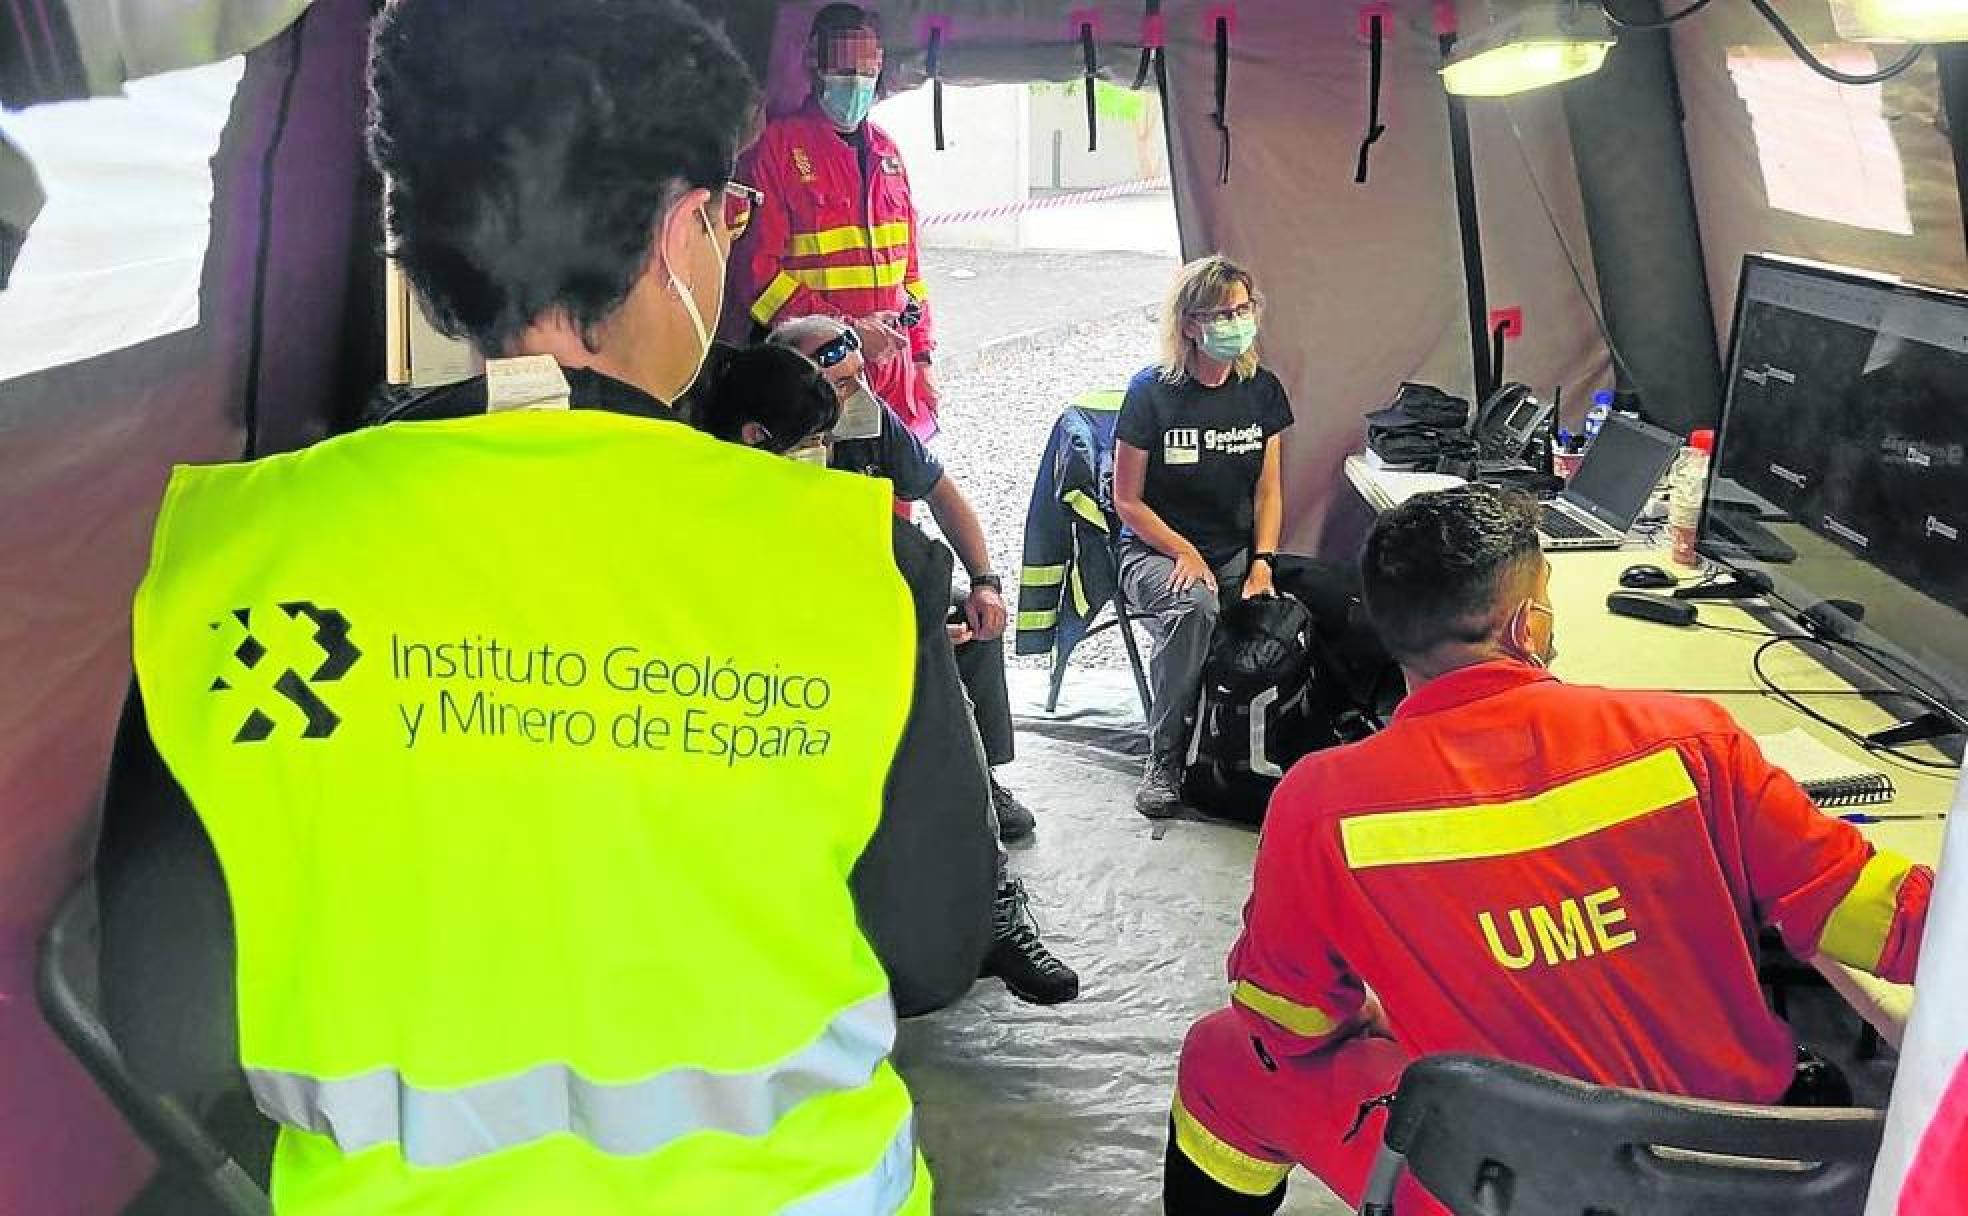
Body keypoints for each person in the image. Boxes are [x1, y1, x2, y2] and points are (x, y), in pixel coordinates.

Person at [94, 2, 998, 1211]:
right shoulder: (842, 564)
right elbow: (934, 946)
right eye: (728, 217)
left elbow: (167, 1022)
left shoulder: (240, 561)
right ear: (682, 235)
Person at [1163, 485, 1935, 1215]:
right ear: (1528, 627)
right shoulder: (1694, 741)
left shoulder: (1321, 801)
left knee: (1224, 1057)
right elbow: (1886, 920)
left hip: (1503, 1184)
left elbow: (1283, 1021)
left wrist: (1373, 1016)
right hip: (1750, 1176)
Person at [699, 338, 1082, 1007]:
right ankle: (984, 896)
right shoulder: (714, 492)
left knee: (959, 627)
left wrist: (976, 588)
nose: (829, 441)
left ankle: (985, 848)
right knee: (929, 685)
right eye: (814, 435)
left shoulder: (846, 433)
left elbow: (936, 502)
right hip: (774, 680)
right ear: (757, 435)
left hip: (855, 628)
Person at [1115, 255, 1293, 818]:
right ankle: (1163, 759)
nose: (1236, 322)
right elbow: (1126, 500)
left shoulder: (1261, 389)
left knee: (1305, 605)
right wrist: (1183, 549)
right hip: (1153, 550)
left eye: (1243, 309)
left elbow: (1268, 493)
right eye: (1222, 313)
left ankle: (1260, 748)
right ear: (1190, 324)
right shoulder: (1150, 392)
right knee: (1195, 608)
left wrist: (1262, 561)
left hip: (1236, 552)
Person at [727, 3, 941, 442]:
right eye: (844, 69)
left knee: (894, 503)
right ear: (815, 63)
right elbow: (757, 281)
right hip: (814, 380)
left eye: (866, 69)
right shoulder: (775, 151)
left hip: (894, 379)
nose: (856, 82)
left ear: (880, 66)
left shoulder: (889, 154)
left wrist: (922, 361)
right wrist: (847, 332)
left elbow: (912, 278)